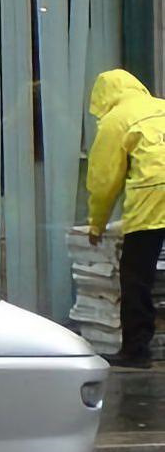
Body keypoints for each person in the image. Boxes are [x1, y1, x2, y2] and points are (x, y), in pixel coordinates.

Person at [85, 68, 165, 369]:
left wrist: (97, 223)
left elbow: (104, 180)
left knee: (135, 275)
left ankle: (136, 350)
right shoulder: (161, 106)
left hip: (153, 196)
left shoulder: (115, 120)